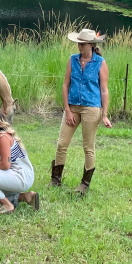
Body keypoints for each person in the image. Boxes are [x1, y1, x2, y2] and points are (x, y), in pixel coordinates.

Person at [51, 28, 112, 195]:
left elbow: (104, 90)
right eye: (78, 42)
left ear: (91, 45)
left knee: (88, 147)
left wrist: (104, 114)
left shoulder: (100, 63)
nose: (79, 46)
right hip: (72, 106)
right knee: (62, 143)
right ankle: (55, 179)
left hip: (91, 108)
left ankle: (84, 184)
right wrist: (67, 110)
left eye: (82, 43)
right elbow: (65, 85)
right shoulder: (73, 60)